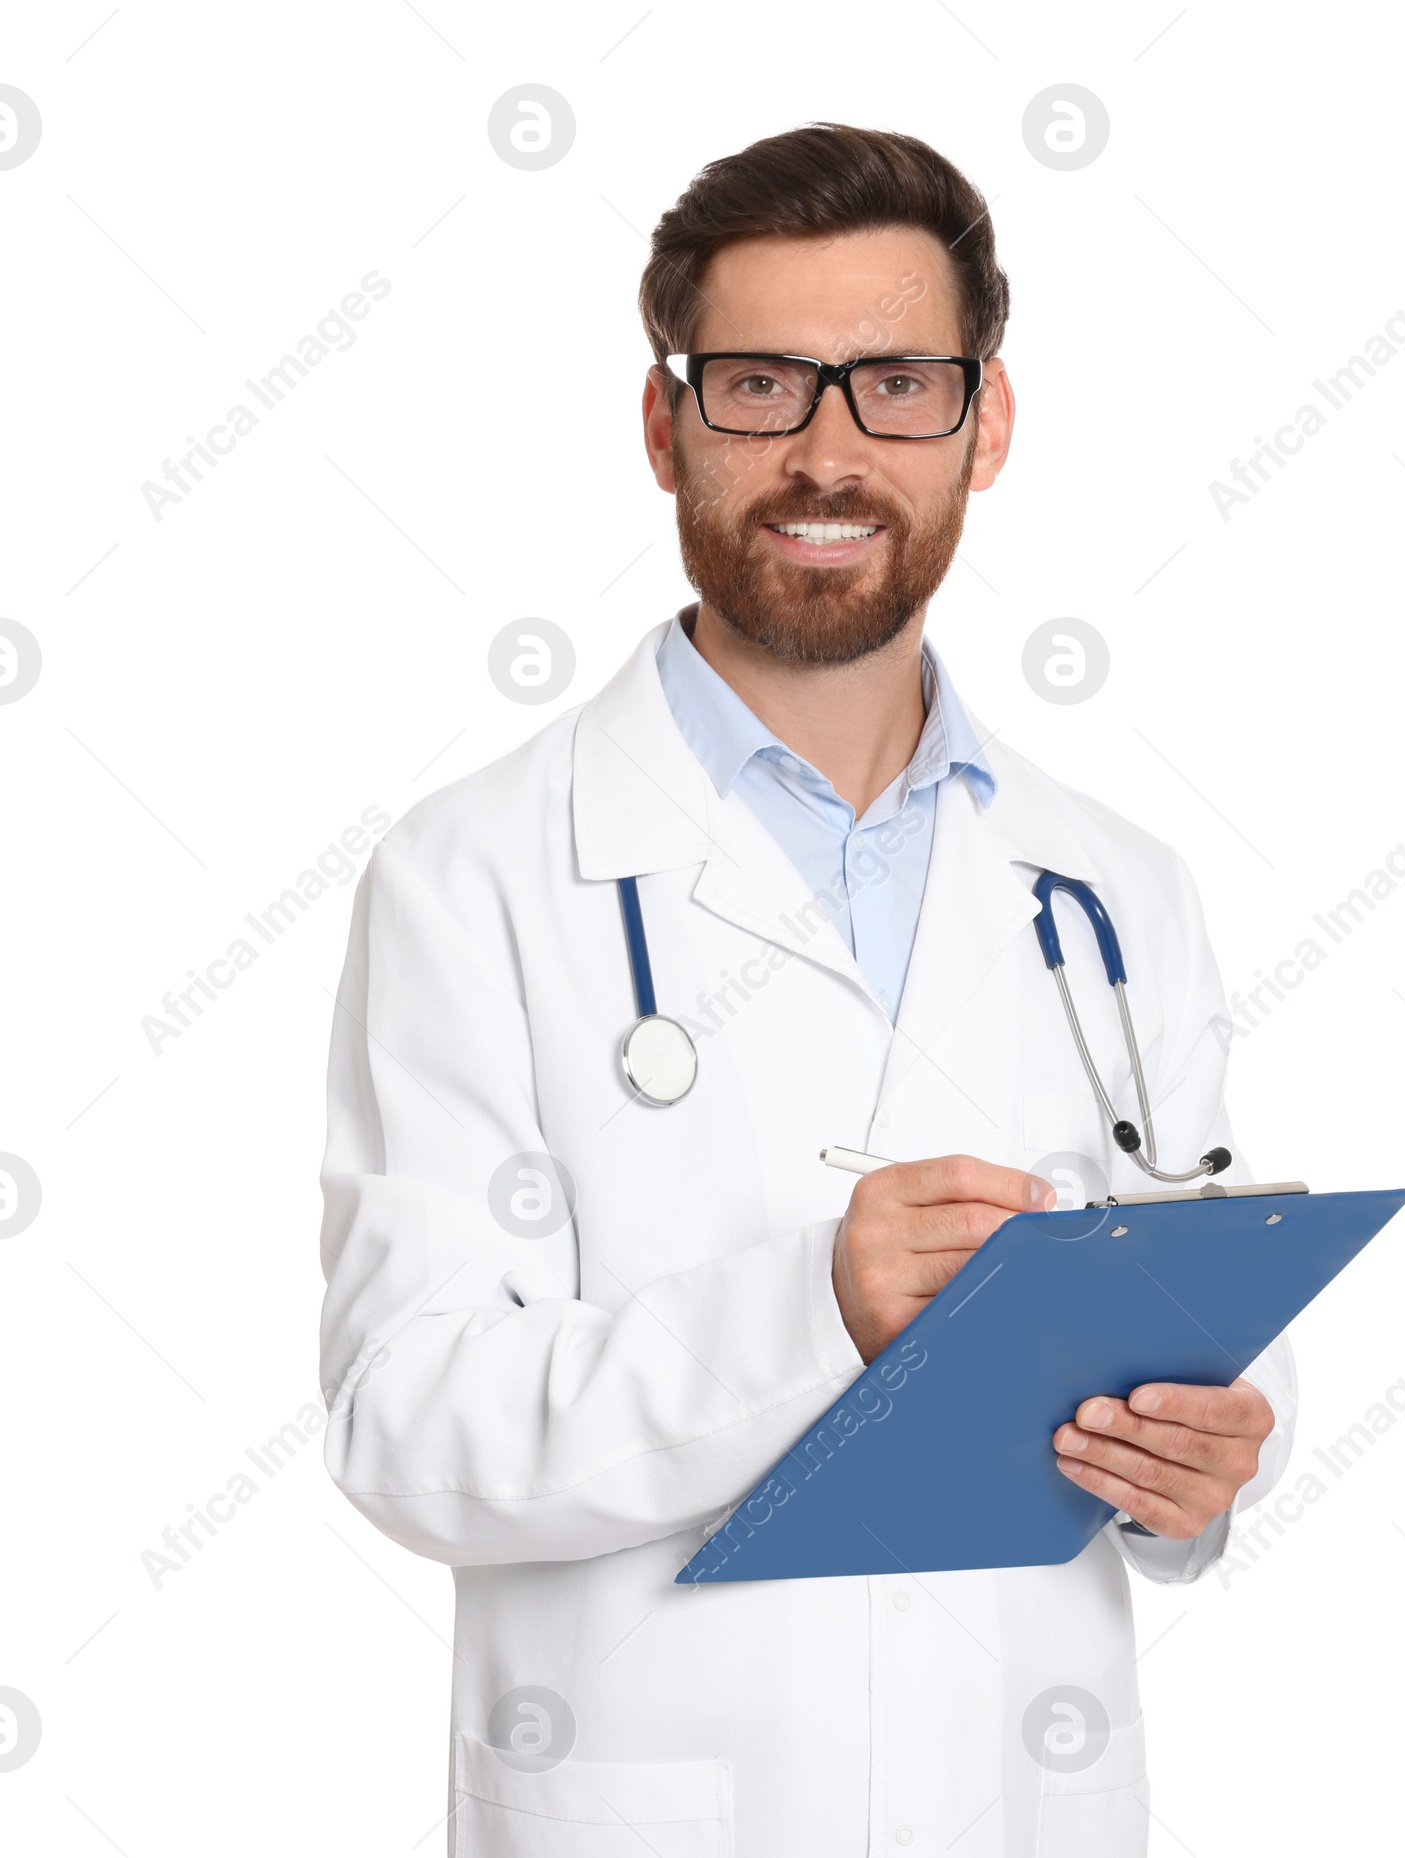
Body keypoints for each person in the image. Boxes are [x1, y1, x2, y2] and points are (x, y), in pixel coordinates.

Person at [318, 121, 1294, 1858]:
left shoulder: (1118, 888)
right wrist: (812, 1314)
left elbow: (1206, 1327)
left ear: (986, 424)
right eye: (762, 385)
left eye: (899, 384)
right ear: (666, 425)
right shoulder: (473, 873)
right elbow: (407, 1429)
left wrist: (1217, 1460)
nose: (828, 452)